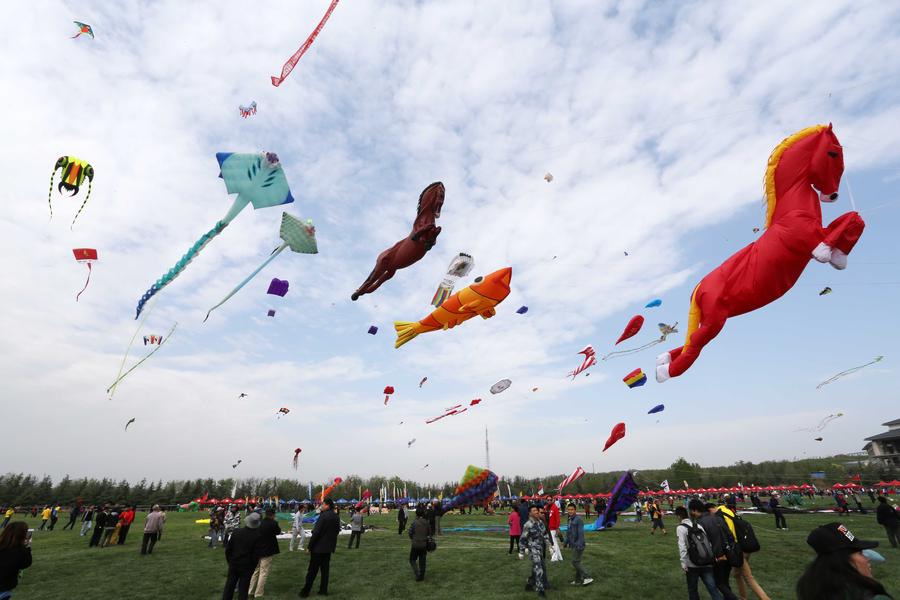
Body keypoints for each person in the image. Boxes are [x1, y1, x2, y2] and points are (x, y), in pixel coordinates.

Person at [797, 522, 893, 600]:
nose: (867, 559)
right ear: (842, 560)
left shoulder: (813, 588)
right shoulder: (873, 597)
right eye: (860, 553)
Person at [676, 503, 722, 600]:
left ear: (679, 516)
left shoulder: (680, 528)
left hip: (692, 563)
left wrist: (683, 562)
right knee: (712, 588)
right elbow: (708, 542)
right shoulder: (698, 525)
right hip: (706, 560)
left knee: (692, 589)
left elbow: (682, 547)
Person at [299, 498, 340, 598]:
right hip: (328, 548)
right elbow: (337, 531)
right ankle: (323, 590)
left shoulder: (323, 516)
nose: (321, 506)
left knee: (312, 571)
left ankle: (305, 591)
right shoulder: (336, 516)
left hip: (318, 548)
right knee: (325, 571)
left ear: (328, 505)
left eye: (323, 504)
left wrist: (309, 547)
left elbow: (316, 533)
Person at [699, 503, 740, 600]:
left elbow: (706, 542)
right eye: (714, 508)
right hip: (728, 553)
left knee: (719, 583)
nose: (716, 510)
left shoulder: (702, 522)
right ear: (710, 510)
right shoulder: (719, 519)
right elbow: (730, 535)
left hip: (718, 555)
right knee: (725, 582)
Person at [222, 512, 262, 600]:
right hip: (247, 566)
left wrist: (230, 561)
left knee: (229, 587)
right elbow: (256, 555)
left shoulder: (236, 532)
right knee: (243, 589)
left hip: (234, 564)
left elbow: (228, 550)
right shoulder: (257, 536)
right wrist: (252, 566)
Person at [247, 508, 280, 598]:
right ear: (273, 515)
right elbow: (278, 532)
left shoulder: (259, 523)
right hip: (267, 550)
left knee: (255, 571)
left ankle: (250, 591)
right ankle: (258, 593)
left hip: (257, 550)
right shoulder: (273, 523)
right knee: (263, 572)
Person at [521, 504, 550, 597]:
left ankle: (529, 584)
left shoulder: (540, 522)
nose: (536, 512)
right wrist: (521, 551)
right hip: (532, 549)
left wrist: (550, 546)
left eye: (537, 510)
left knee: (537, 567)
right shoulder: (528, 525)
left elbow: (545, 534)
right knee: (539, 568)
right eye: (534, 511)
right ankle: (540, 590)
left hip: (540, 548)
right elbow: (523, 538)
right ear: (530, 513)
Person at [0, 522, 33, 598]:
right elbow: (26, 563)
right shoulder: (20, 551)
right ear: (22, 535)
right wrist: (28, 546)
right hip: (4, 588)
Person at [564, 503, 593, 586]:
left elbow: (580, 533)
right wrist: (566, 542)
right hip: (573, 544)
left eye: (572, 509)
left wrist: (579, 544)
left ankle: (587, 577)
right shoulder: (569, 519)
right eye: (569, 509)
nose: (570, 511)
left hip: (578, 544)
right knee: (577, 561)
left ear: (575, 510)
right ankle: (578, 580)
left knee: (575, 562)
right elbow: (568, 531)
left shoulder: (578, 519)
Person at [407, 506, 431, 582]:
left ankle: (417, 574)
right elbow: (429, 533)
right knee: (422, 561)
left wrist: (413, 538)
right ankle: (422, 575)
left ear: (416, 514)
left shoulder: (414, 522)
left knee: (412, 560)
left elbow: (410, 532)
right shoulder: (426, 522)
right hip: (424, 544)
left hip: (415, 544)